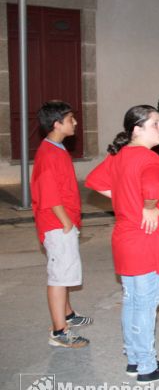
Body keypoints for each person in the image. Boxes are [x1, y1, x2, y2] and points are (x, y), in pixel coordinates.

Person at [86, 105, 159, 383]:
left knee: (133, 302)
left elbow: (93, 180)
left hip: (125, 238)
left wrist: (126, 201)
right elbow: (152, 189)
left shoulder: (120, 155)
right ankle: (147, 366)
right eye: (155, 124)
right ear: (137, 129)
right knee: (146, 305)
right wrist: (146, 205)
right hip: (146, 241)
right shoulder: (149, 159)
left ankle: (136, 359)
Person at [32, 101, 92, 349]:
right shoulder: (48, 154)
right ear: (57, 124)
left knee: (65, 271)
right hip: (57, 224)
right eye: (70, 119)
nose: (75, 122)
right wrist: (66, 223)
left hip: (62, 223)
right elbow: (50, 194)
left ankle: (67, 314)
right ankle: (59, 331)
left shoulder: (56, 148)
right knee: (59, 277)